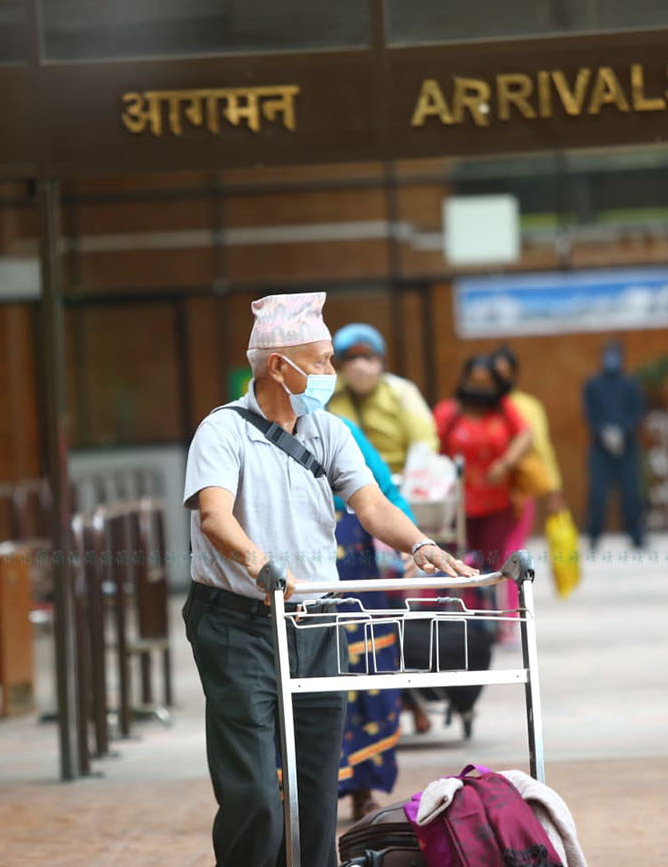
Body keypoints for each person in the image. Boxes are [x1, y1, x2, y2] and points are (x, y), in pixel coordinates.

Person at [183, 291, 474, 867]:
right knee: (255, 796)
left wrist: (421, 544)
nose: (330, 373)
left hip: (317, 621)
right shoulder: (222, 432)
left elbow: (370, 507)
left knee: (318, 784)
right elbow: (215, 516)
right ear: (277, 365)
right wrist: (259, 564)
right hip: (240, 623)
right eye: (319, 360)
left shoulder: (328, 431)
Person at [333, 417, 412, 821]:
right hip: (294, 569)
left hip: (355, 566)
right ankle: (297, 792)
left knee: (367, 672)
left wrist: (412, 543)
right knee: (302, 678)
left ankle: (363, 787)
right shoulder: (245, 433)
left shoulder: (340, 430)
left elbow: (383, 493)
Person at [433, 355, 533, 640]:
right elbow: (432, 447)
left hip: (495, 504)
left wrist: (505, 464)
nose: (479, 388)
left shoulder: (504, 410)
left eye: (485, 383)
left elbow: (526, 436)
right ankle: (454, 622)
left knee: (492, 563)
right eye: (473, 381)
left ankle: (493, 624)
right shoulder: (449, 412)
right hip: (455, 506)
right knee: (453, 563)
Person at [327, 323, 438, 474]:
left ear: (380, 360)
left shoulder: (400, 391)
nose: (359, 365)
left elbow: (423, 442)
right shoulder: (329, 394)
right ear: (340, 364)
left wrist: (413, 479)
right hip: (344, 481)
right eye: (351, 357)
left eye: (367, 356)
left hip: (397, 478)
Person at [492, 345, 565, 532]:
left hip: (519, 488)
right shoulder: (480, 408)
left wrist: (553, 490)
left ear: (514, 375)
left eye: (504, 374)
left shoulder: (527, 406)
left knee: (511, 548)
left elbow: (542, 449)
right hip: (486, 491)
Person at [582, 340, 646, 550]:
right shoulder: (592, 384)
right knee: (597, 494)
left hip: (626, 447)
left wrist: (622, 433)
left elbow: (637, 412)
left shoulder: (631, 384)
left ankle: (637, 535)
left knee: (631, 494)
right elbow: (589, 414)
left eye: (615, 355)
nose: (612, 360)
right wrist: (604, 433)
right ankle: (593, 536)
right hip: (600, 447)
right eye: (608, 355)